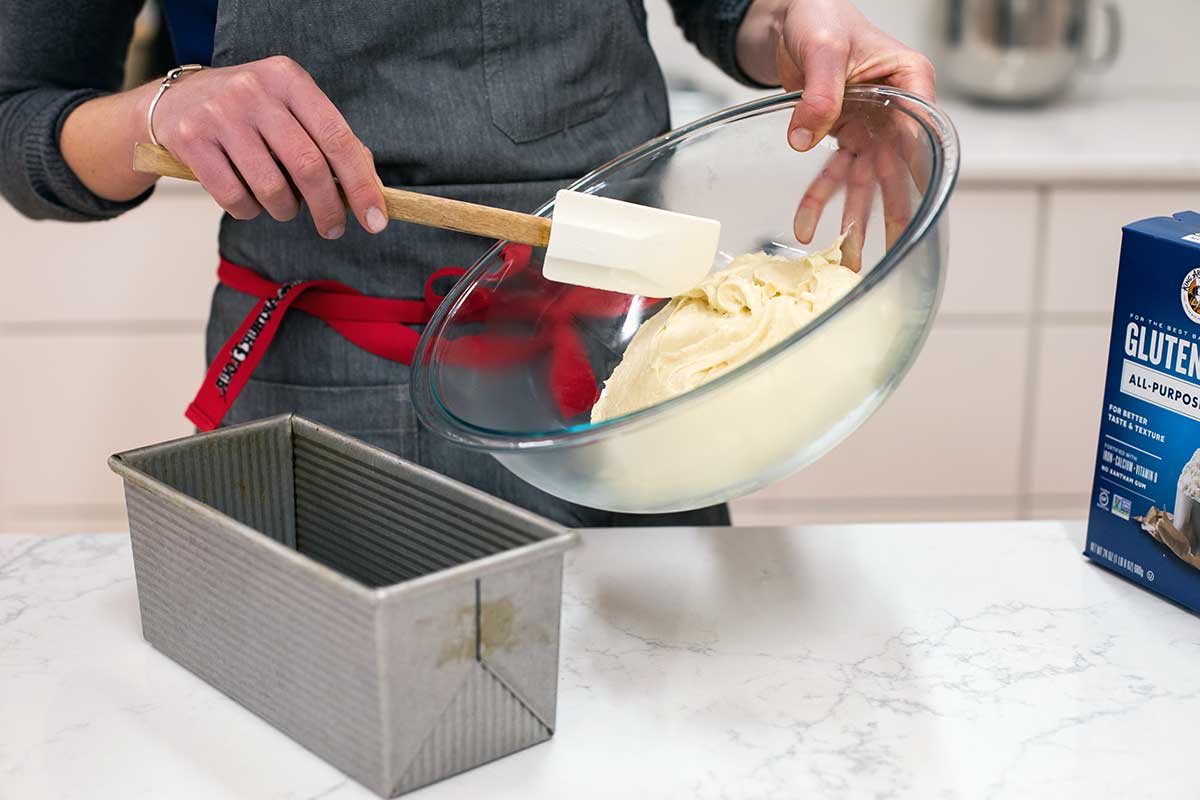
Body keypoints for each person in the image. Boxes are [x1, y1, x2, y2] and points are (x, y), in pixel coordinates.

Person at [0, 0, 934, 528]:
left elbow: (737, 10)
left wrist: (799, 30)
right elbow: (20, 118)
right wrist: (159, 113)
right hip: (319, 395)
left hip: (618, 392)